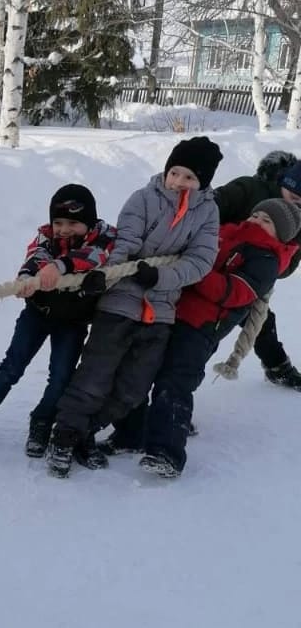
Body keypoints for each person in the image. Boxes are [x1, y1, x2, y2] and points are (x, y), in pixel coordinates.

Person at [44, 137, 222, 477]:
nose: (179, 182)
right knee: (95, 378)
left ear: (203, 182)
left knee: (133, 389)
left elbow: (200, 261)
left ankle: (85, 433)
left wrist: (160, 277)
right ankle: (65, 437)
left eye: (189, 177)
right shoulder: (143, 200)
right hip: (119, 305)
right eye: (175, 173)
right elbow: (122, 246)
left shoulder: (207, 213)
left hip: (161, 313)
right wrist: (105, 277)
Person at [127, 198, 301, 478]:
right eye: (256, 214)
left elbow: (234, 293)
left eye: (266, 221)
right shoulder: (224, 234)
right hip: (172, 312)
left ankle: (166, 452)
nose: (256, 221)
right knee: (142, 369)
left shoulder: (267, 259)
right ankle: (133, 432)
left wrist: (194, 271)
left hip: (202, 326)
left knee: (175, 380)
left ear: (280, 233)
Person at [0, 184, 116, 460]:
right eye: (59, 222)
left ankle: (42, 420)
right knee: (11, 368)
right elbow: (35, 256)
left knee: (61, 376)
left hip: (72, 321)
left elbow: (99, 254)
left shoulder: (104, 237)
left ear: (88, 222)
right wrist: (27, 276)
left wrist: (61, 266)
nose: (64, 229)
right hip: (38, 313)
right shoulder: (45, 236)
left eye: (73, 223)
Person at [213, 152, 301, 389]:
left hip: (243, 279)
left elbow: (283, 270)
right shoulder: (250, 189)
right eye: (293, 195)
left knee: (260, 319)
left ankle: (277, 367)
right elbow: (208, 205)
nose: (295, 204)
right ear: (284, 181)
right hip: (204, 264)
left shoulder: (296, 223)